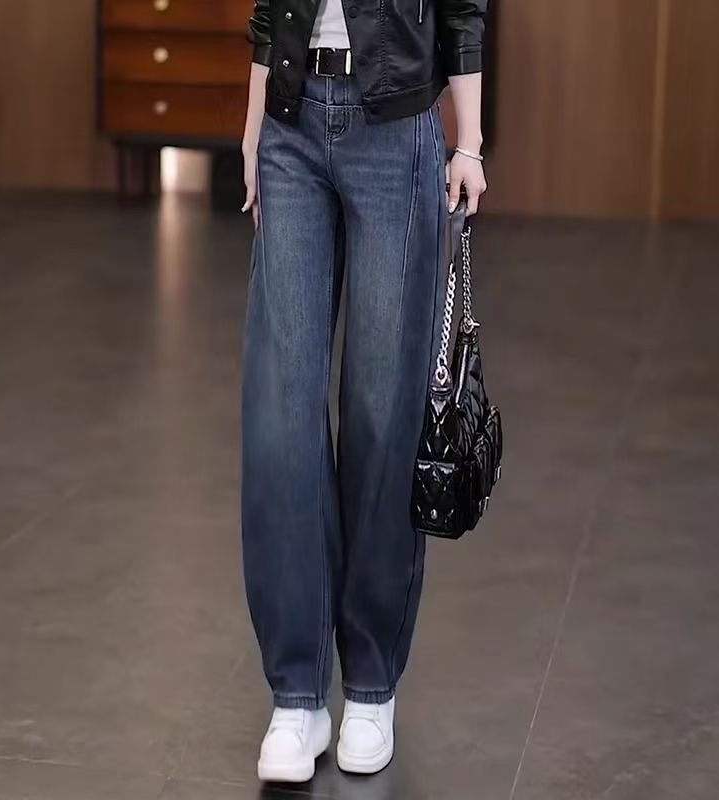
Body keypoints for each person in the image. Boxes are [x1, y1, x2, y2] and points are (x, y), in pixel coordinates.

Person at [240, 0, 488, 782]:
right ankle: (297, 695)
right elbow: (267, 11)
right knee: (280, 413)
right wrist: (252, 130)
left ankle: (372, 686)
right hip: (290, 124)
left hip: (397, 129)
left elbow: (464, 11)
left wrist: (469, 142)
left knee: (382, 413)